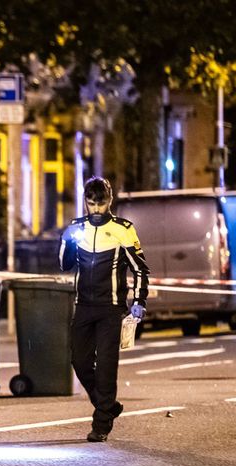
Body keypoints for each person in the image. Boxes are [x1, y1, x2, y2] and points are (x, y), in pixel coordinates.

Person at [59, 177, 149, 442]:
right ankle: (107, 405)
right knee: (80, 360)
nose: (96, 209)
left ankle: (101, 425)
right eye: (91, 204)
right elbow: (64, 264)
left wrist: (139, 301)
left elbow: (140, 268)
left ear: (110, 201)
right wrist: (68, 241)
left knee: (107, 366)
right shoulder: (76, 227)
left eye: (101, 203)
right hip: (83, 305)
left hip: (111, 308)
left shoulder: (124, 229)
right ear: (85, 202)